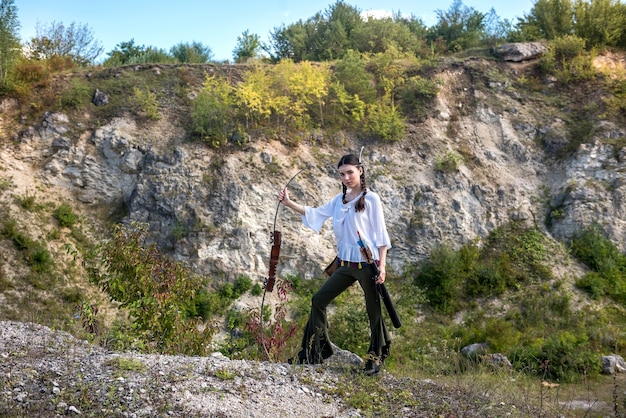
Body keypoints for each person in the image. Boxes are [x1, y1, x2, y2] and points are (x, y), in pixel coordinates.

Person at [278, 153, 392, 375]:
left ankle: (374, 360)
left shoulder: (371, 199)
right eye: (342, 174)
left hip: (368, 265)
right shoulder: (339, 201)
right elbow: (315, 213)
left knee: (374, 312)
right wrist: (288, 202)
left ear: (360, 170)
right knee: (318, 300)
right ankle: (316, 351)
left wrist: (383, 267)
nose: (346, 177)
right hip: (346, 265)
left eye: (350, 172)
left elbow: (381, 236)